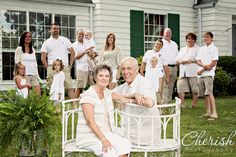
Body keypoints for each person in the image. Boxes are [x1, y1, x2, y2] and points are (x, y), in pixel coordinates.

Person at [76, 64, 130, 157]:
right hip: (89, 135)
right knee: (109, 151)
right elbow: (90, 121)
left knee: (125, 145)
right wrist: (103, 139)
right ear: (95, 77)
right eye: (101, 75)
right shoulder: (88, 95)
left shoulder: (107, 93)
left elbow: (122, 97)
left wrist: (136, 96)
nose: (104, 78)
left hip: (106, 133)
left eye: (107, 76)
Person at [113, 57, 161, 146]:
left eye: (129, 68)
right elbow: (110, 94)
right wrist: (133, 95)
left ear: (137, 69)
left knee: (107, 135)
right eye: (123, 69)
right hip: (131, 130)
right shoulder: (126, 85)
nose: (125, 72)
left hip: (144, 134)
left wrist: (130, 100)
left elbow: (150, 103)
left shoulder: (144, 82)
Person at [41, 23, 75, 99]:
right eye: (54, 28)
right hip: (51, 67)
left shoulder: (65, 40)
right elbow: (43, 58)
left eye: (57, 28)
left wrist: (70, 65)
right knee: (52, 89)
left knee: (69, 87)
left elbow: (73, 52)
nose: (56, 30)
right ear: (50, 30)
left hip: (64, 67)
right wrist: (48, 69)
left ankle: (75, 108)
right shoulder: (46, 42)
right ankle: (54, 109)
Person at [196, 32, 218, 120]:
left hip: (208, 74)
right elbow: (198, 61)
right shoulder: (201, 49)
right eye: (204, 37)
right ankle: (208, 112)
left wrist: (202, 69)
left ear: (212, 38)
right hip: (201, 75)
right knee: (205, 94)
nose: (206, 38)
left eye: (208, 37)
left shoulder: (214, 49)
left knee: (209, 93)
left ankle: (214, 113)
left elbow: (213, 63)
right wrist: (203, 67)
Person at [140, 39, 169, 104]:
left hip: (159, 76)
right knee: (148, 90)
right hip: (149, 75)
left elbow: (165, 66)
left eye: (160, 45)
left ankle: (158, 107)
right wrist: (141, 73)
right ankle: (149, 105)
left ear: (161, 47)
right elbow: (143, 63)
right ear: (154, 44)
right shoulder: (148, 52)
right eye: (157, 44)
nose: (158, 45)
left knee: (159, 91)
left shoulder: (162, 54)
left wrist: (167, 77)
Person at [175, 32, 199, 108]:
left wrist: (192, 61)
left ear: (194, 40)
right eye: (188, 38)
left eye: (192, 39)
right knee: (180, 88)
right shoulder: (182, 49)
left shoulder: (198, 49)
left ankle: (194, 104)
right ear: (186, 40)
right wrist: (181, 61)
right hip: (183, 72)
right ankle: (182, 104)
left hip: (193, 72)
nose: (190, 40)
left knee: (195, 89)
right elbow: (177, 60)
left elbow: (200, 60)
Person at [72, 29, 97, 98]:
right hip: (82, 68)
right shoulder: (74, 45)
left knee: (94, 86)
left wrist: (94, 54)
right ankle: (75, 104)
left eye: (83, 34)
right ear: (77, 35)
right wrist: (85, 51)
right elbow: (76, 57)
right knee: (79, 87)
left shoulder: (88, 43)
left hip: (90, 68)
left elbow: (94, 52)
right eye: (80, 34)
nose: (81, 35)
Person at [161, 28, 179, 104]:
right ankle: (164, 102)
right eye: (166, 33)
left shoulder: (174, 44)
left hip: (174, 67)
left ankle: (168, 102)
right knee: (165, 84)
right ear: (163, 34)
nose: (168, 34)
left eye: (169, 33)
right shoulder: (161, 43)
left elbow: (177, 55)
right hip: (165, 67)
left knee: (171, 85)